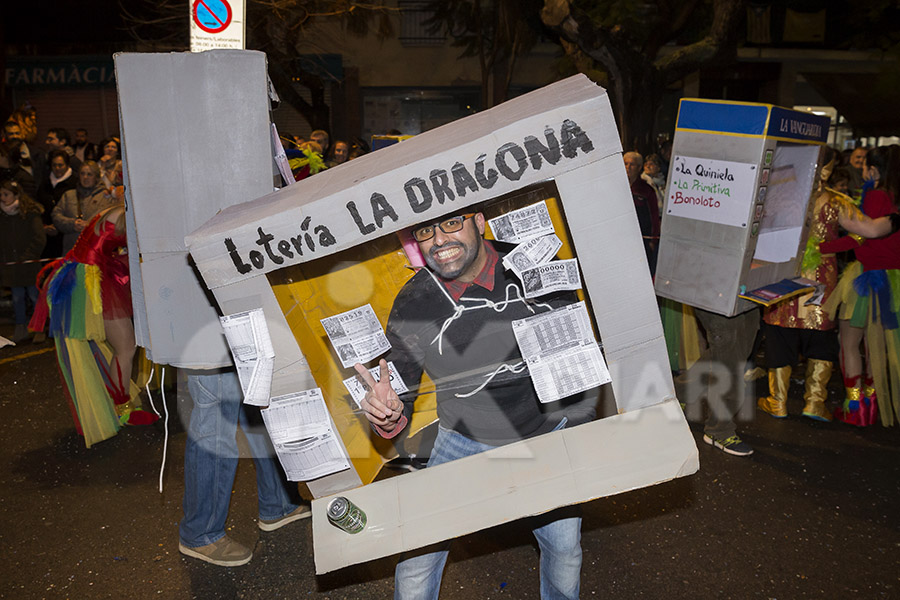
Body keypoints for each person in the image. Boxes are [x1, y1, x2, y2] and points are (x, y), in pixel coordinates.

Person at [355, 211, 596, 599]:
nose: (439, 239)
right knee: (416, 561)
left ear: (479, 222)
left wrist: (584, 433)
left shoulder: (533, 270)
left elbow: (578, 361)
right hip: (462, 439)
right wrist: (388, 414)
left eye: (451, 223)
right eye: (426, 231)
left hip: (543, 434)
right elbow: (398, 391)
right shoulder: (414, 301)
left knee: (565, 550)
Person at [30, 204, 157, 446]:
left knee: (119, 347)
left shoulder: (116, 211)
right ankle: (124, 409)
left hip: (84, 273)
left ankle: (119, 402)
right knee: (126, 348)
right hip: (91, 280)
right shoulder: (124, 216)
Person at [757, 147, 853, 422]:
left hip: (784, 276)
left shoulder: (779, 196)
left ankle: (778, 401)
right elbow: (868, 230)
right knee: (821, 338)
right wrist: (845, 243)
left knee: (779, 335)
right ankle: (813, 402)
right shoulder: (837, 201)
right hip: (821, 280)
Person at [178, 370, 312, 566]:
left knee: (257, 404)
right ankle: (201, 532)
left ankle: (279, 504)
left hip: (242, 341)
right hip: (209, 345)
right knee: (215, 424)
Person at [821, 145, 900, 427]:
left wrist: (823, 246)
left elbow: (861, 236)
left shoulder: (875, 195)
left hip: (866, 277)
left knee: (849, 343)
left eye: (865, 165)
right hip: (894, 281)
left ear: (874, 170)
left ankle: (855, 407)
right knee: (875, 345)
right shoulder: (895, 198)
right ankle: (871, 404)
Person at [0, 180, 46, 343]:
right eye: (1, 195)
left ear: (16, 195)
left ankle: (39, 328)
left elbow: (39, 238)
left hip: (29, 265)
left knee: (34, 296)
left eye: (6, 194)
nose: (2, 198)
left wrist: (27, 257)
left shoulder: (30, 213)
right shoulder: (3, 216)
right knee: (17, 298)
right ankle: (21, 327)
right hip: (12, 267)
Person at [52, 161, 117, 254]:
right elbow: (56, 216)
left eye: (89, 174)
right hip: (71, 253)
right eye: (82, 174)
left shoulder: (106, 197)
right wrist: (72, 224)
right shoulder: (68, 195)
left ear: (97, 177)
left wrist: (90, 226)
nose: (85, 177)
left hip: (97, 254)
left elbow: (113, 225)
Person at [624, 151, 660, 275]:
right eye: (625, 164)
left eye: (632, 164)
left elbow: (654, 216)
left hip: (642, 241)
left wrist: (653, 241)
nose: (628, 167)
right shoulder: (617, 187)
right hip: (622, 239)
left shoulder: (647, 190)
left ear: (639, 167)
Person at [35, 149, 76, 258]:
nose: (57, 168)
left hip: (68, 235)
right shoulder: (44, 183)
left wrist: (60, 225)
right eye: (54, 165)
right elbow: (38, 206)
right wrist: (44, 226)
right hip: (47, 235)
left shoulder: (75, 183)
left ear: (67, 165)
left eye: (60, 165)